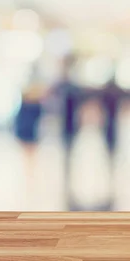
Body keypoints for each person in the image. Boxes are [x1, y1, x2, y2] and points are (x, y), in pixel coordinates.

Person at [51, 54, 82, 201]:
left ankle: (69, 185)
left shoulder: (72, 86)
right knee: (65, 156)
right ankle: (66, 185)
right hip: (62, 125)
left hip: (72, 125)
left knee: (70, 155)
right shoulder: (59, 85)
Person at [15, 65, 46, 176]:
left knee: (30, 152)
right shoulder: (33, 102)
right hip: (28, 128)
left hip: (30, 128)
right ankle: (29, 170)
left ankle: (30, 170)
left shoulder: (35, 103)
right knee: (29, 152)